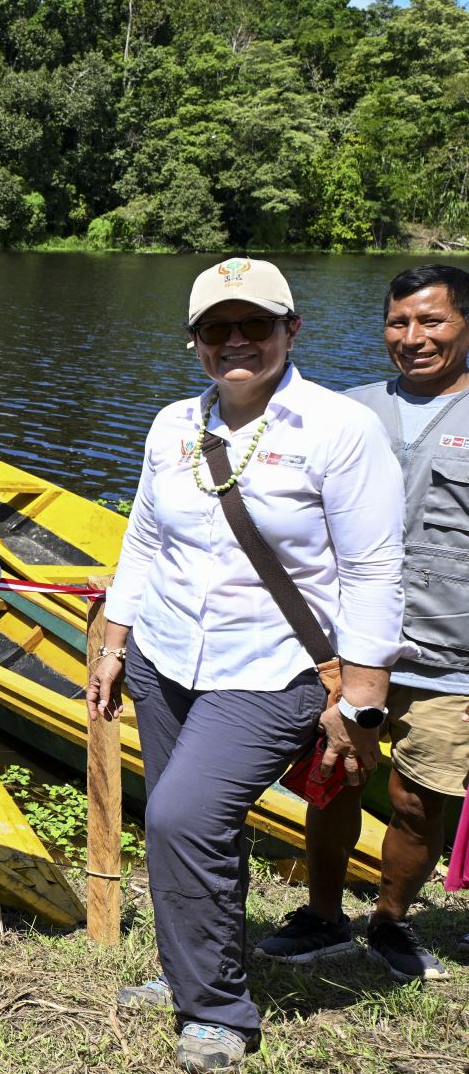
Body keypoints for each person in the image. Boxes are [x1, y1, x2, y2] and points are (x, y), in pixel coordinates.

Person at [89, 257, 404, 1072]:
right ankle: (190, 963)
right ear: (194, 342)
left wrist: (362, 697)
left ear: (290, 331)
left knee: (182, 817)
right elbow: (144, 540)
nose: (236, 342)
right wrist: (116, 641)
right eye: (216, 329)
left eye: (254, 326)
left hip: (271, 668)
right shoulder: (172, 425)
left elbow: (373, 568)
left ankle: (218, 1010)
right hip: (164, 655)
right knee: (198, 826)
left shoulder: (338, 428)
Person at [255, 263, 469, 982]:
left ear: (465, 323)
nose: (413, 338)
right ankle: (322, 917)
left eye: (432, 321)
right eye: (399, 322)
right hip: (342, 649)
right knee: (331, 780)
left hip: (451, 654)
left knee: (416, 801)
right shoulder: (344, 410)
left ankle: (392, 924)